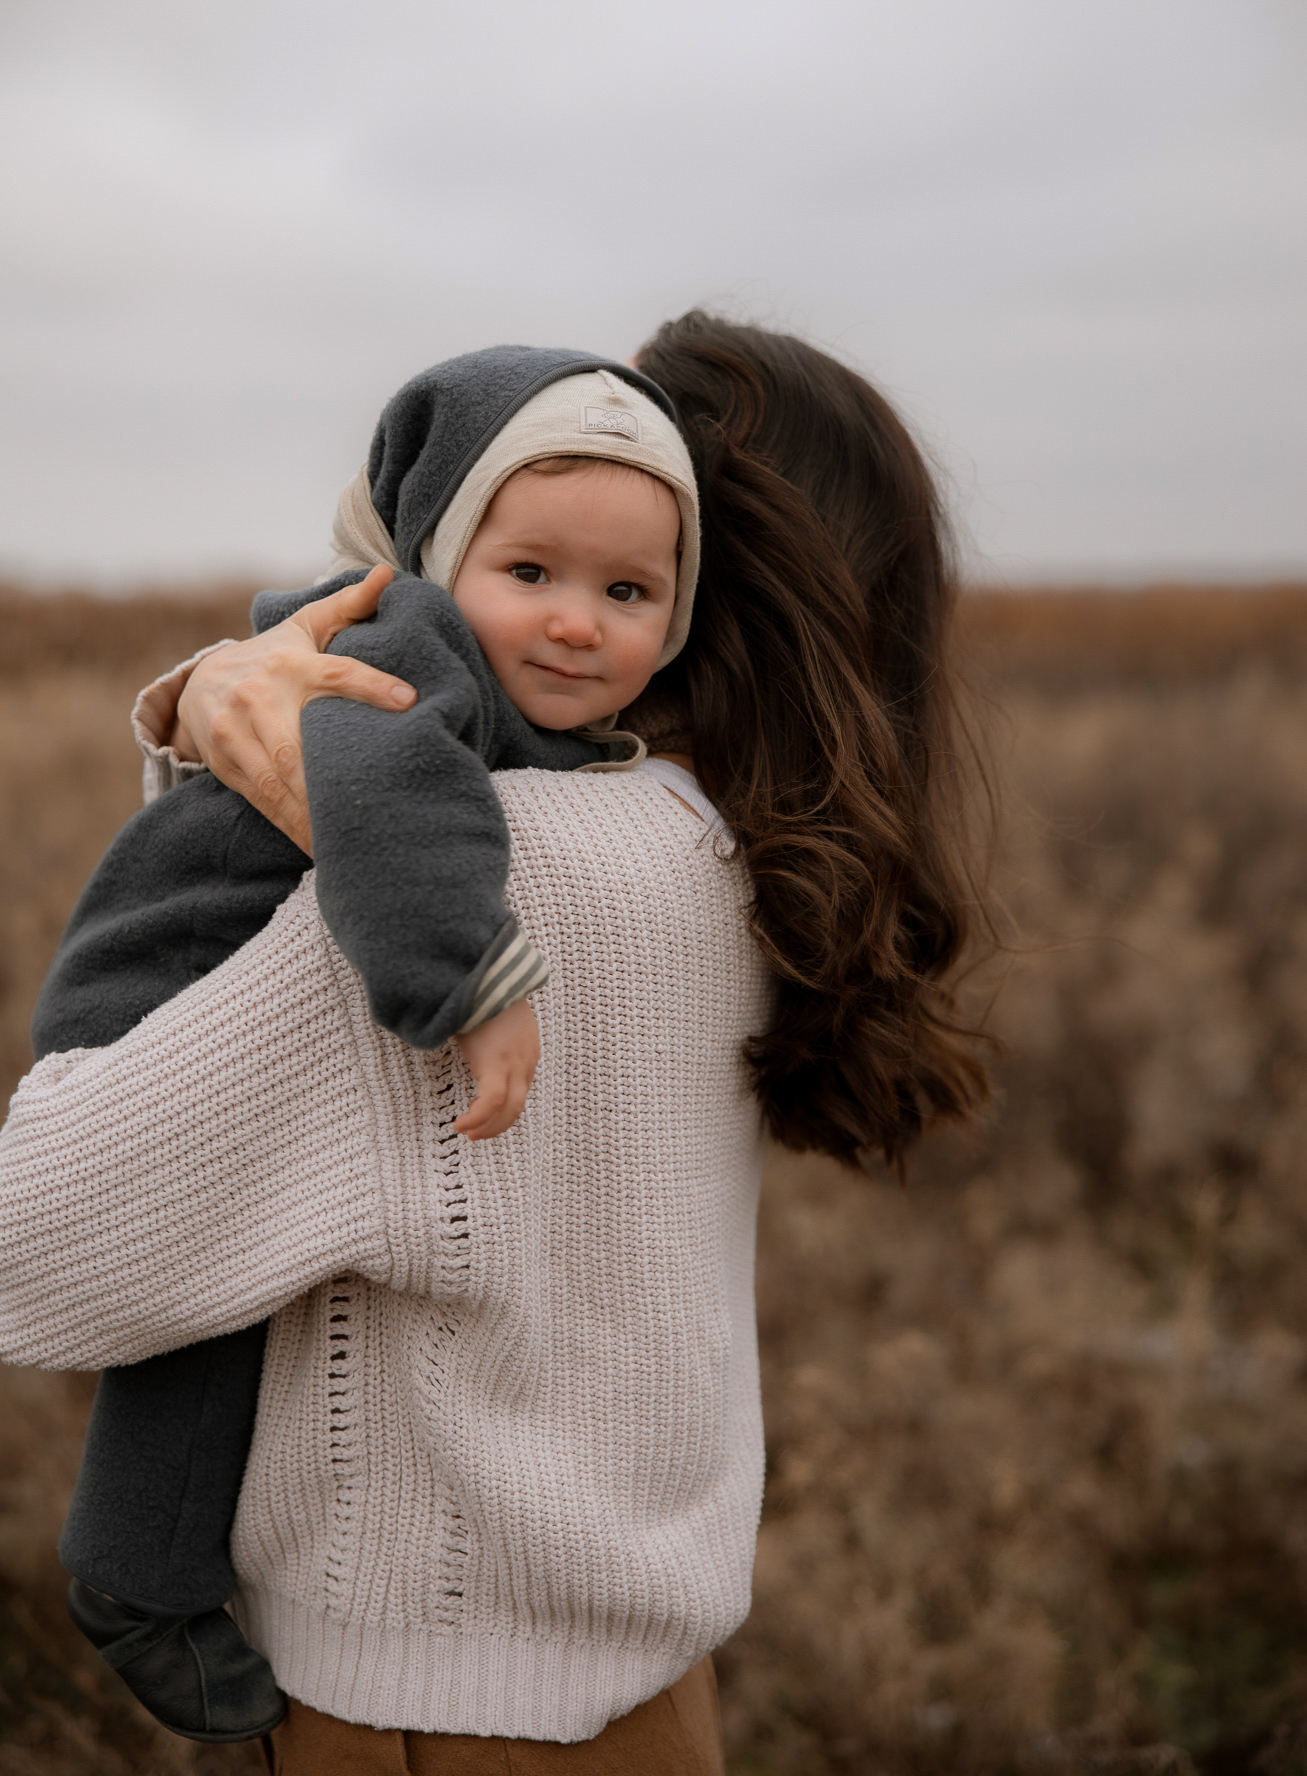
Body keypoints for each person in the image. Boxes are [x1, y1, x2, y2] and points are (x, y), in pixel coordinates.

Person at [0, 312, 991, 1771]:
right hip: (641, 1695)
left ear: (701, 581)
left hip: (424, 1712)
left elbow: (44, 1241)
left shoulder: (479, 887)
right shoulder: (718, 851)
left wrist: (247, 739)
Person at [31, 345, 700, 1741]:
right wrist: (475, 979)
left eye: (627, 593)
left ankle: (141, 1566)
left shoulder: (520, 708)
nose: (578, 623)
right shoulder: (409, 650)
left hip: (201, 954)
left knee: (226, 1315)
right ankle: (134, 1572)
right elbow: (390, 781)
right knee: (197, 1319)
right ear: (441, 556)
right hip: (164, 973)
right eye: (532, 575)